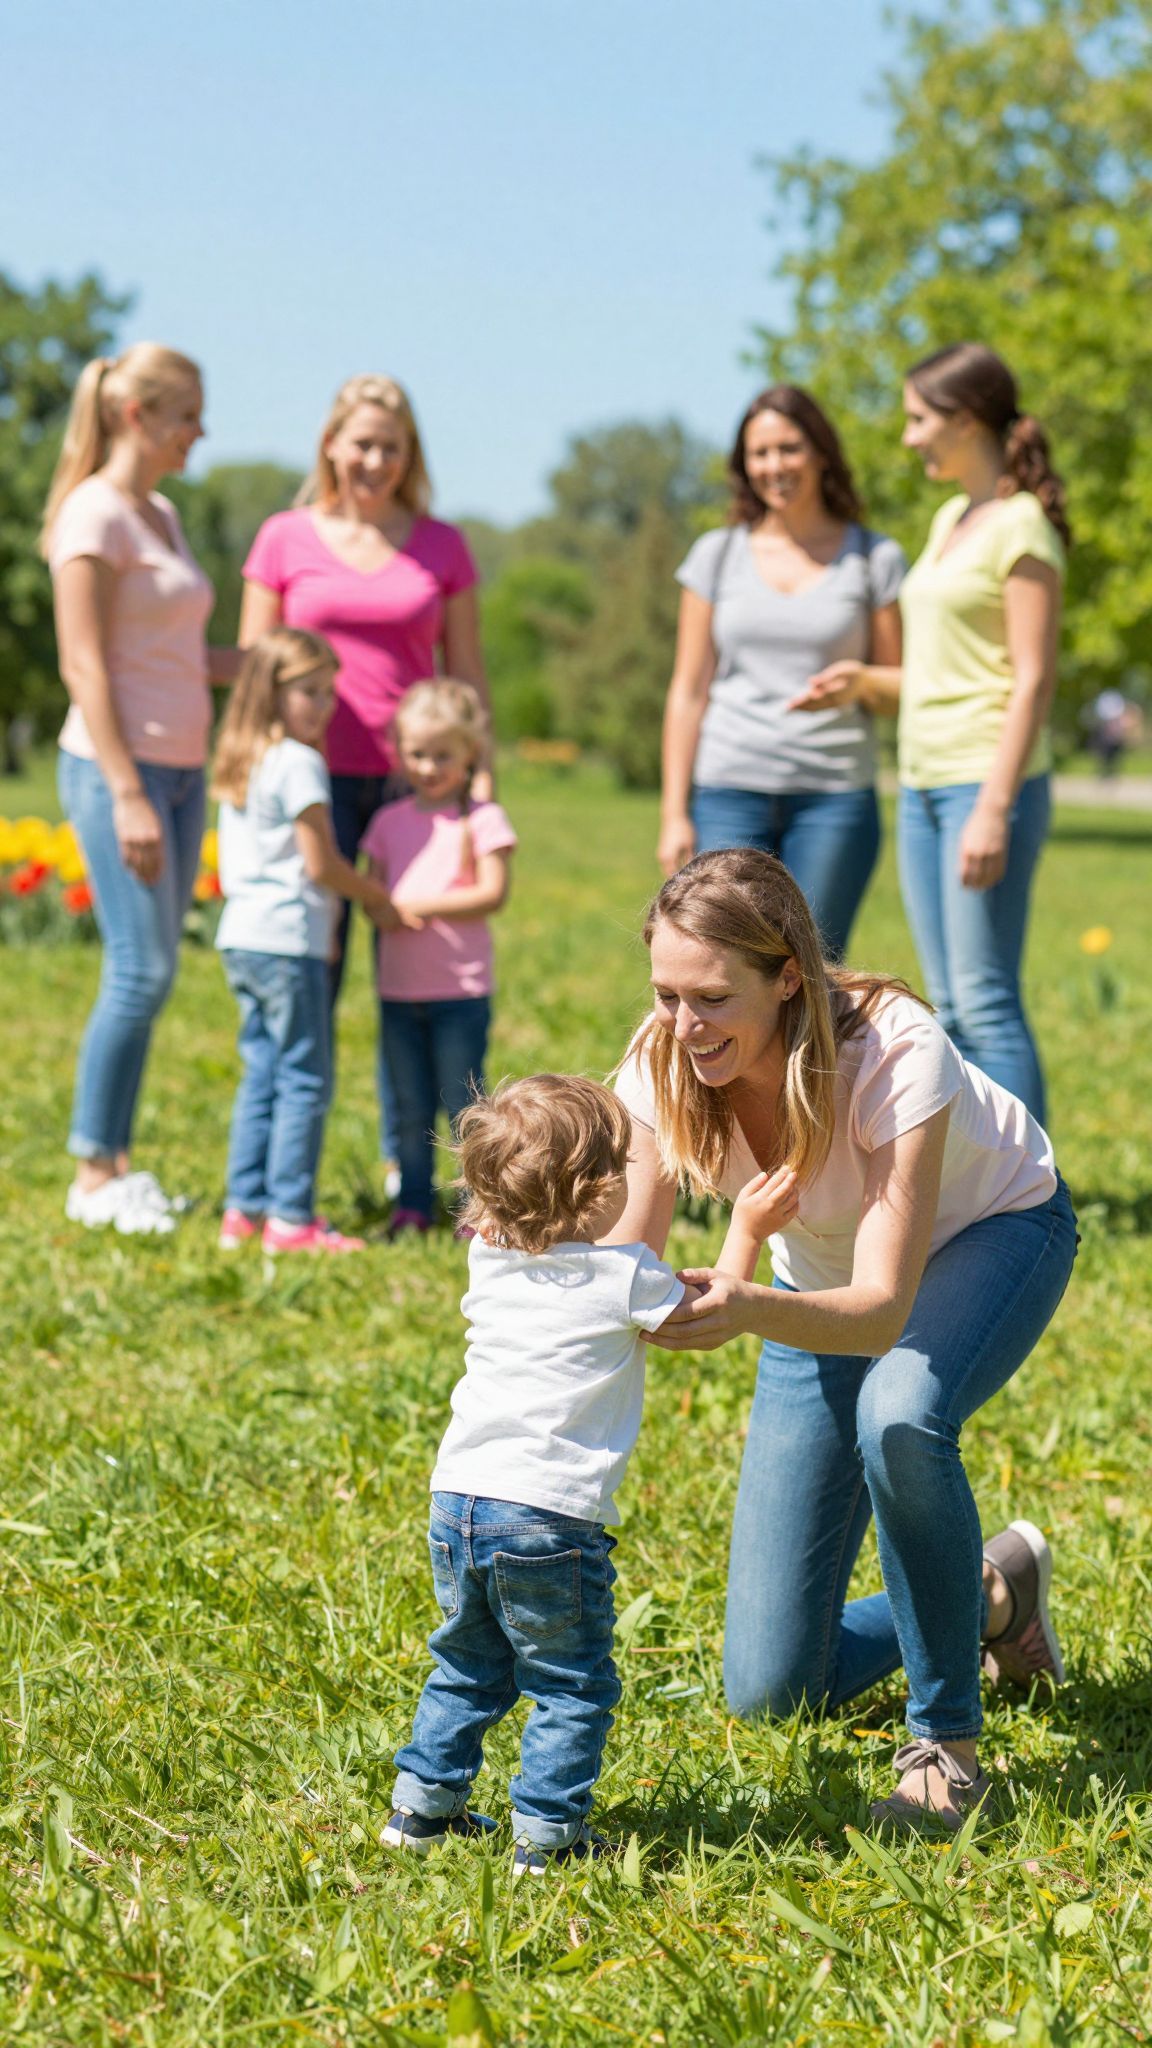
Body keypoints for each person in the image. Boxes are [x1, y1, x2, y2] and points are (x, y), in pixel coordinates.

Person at [611, 849, 1077, 1833]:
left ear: (789, 978)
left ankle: (945, 1746)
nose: (683, 1024)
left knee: (900, 1411)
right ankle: (991, 1593)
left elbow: (877, 1310)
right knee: (772, 1685)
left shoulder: (895, 1047)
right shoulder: (663, 1056)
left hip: (991, 1235)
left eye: (710, 996)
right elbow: (625, 1258)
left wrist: (737, 1304)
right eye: (665, 993)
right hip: (806, 1289)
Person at [382, 1073, 799, 1872]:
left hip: (459, 1498)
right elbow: (703, 1312)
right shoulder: (618, 1278)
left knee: (466, 1665)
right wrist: (745, 1226)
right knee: (572, 1685)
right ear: (598, 1189)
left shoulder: (489, 1264)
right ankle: (547, 1837)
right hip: (548, 1518)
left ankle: (419, 1811)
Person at [795, 345, 1068, 1124]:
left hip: (984, 781)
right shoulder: (953, 518)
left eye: (919, 419)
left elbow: (1032, 679)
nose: (909, 437)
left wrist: (993, 804)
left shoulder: (1023, 529)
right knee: (949, 999)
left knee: (984, 999)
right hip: (920, 782)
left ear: (965, 420)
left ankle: (1032, 1195)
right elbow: (946, 670)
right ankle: (985, 1179)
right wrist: (863, 683)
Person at [239, 375, 491, 1192]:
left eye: (391, 445)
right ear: (331, 445)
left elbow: (469, 675)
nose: (375, 459)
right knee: (314, 970)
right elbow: (254, 672)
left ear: (409, 453)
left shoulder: (442, 546)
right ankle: (283, 1172)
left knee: (410, 974)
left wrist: (479, 787)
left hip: (409, 788)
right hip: (303, 780)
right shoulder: (283, 537)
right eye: (361, 443)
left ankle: (404, 1160)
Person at [43, 343, 239, 1234]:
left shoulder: (160, 514)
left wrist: (255, 665)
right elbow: (84, 665)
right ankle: (93, 1174)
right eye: (187, 413)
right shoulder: (92, 514)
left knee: (152, 975)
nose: (199, 429)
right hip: (113, 765)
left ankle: (118, 1167)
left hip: (181, 762)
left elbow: (172, 655)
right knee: (140, 968)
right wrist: (124, 790)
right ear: (137, 416)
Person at [657, 385, 905, 959]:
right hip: (727, 789)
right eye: (759, 453)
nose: (775, 466)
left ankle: (812, 1057)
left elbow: (898, 689)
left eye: (789, 448)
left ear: (820, 451)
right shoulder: (716, 556)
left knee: (811, 968)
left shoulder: (873, 558)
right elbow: (688, 692)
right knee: (721, 961)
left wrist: (861, 682)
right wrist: (674, 813)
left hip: (833, 798)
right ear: (743, 465)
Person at [212, 628, 416, 1255]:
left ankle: (243, 1209)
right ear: (271, 692)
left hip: (241, 936)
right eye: (309, 691)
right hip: (286, 937)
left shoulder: (244, 755)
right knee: (304, 1079)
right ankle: (292, 1219)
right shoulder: (301, 761)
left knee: (263, 1071)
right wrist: (376, 895)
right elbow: (322, 864)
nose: (325, 704)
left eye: (329, 691)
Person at [360, 681, 516, 1236]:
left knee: (463, 1103)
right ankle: (411, 1205)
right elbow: (373, 895)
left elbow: (493, 893)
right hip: (399, 991)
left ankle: (478, 1206)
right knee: (407, 1104)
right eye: (417, 754)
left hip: (459, 992)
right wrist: (380, 908)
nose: (428, 766)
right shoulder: (387, 822)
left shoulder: (482, 819)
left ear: (470, 752)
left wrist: (417, 905)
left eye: (443, 755)